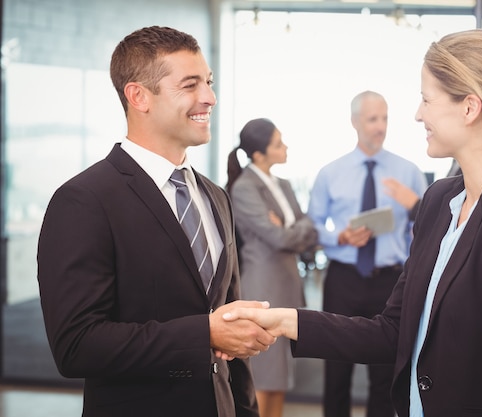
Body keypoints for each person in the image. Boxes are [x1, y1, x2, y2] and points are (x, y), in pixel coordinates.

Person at [222, 29, 482, 417]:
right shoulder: (439, 203)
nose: (418, 114)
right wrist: (284, 320)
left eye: (426, 99)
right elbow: (392, 334)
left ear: (470, 108)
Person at [36, 26, 275, 417]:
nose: (209, 98)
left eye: (209, 83)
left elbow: (230, 333)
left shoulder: (217, 197)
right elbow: (76, 345)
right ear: (138, 96)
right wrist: (204, 333)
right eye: (190, 85)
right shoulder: (84, 200)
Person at [307, 90, 428, 417]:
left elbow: (429, 231)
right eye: (373, 119)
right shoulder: (330, 173)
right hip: (343, 279)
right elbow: (311, 227)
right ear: (355, 122)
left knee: (386, 373)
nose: (380, 126)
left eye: (385, 118)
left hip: (391, 282)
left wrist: (415, 208)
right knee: (336, 370)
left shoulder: (409, 173)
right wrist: (340, 237)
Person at [226, 118, 319, 417]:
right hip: (264, 288)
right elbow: (278, 237)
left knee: (279, 378)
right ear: (258, 154)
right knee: (264, 379)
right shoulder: (244, 188)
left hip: (287, 285)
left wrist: (293, 229)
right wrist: (294, 229)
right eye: (278, 143)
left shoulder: (284, 184)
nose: (286, 147)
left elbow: (309, 228)